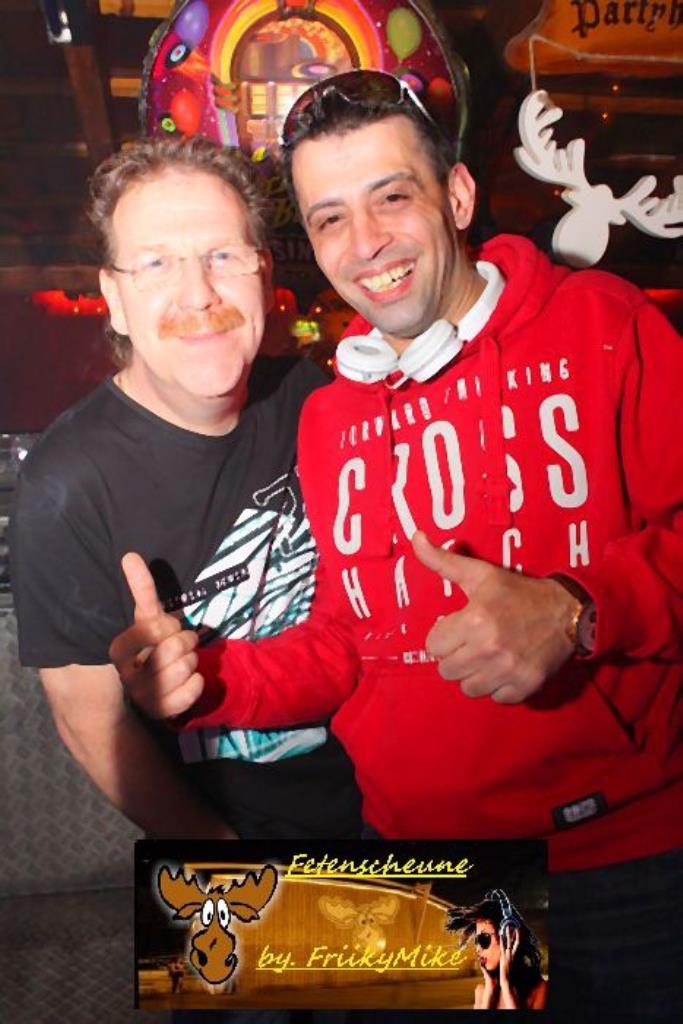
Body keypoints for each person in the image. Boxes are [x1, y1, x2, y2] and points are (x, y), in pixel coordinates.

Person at [111, 72, 683, 1021]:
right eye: (329, 218)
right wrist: (204, 682)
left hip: (627, 864)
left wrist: (576, 609)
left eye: (391, 197)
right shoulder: (330, 418)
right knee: (197, 977)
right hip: (412, 871)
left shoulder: (606, 324)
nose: (365, 242)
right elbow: (348, 640)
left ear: (455, 195)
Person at [10, 134, 361, 844]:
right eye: (156, 263)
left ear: (264, 276)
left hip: (398, 809)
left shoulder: (311, 398)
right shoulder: (64, 486)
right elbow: (88, 722)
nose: (198, 293)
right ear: (114, 298)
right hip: (229, 844)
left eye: (222, 256)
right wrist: (226, 864)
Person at [446, 888, 547, 1010]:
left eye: (484, 939)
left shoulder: (540, 990)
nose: (478, 949)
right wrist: (489, 992)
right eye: (476, 941)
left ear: (510, 937)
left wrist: (506, 986)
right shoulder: (481, 992)